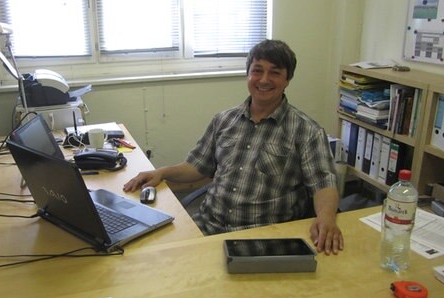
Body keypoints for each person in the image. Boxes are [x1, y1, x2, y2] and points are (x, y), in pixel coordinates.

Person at [123, 39, 343, 255]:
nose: (264, 80)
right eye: (257, 70)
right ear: (248, 74)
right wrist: (160, 172)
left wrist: (326, 218)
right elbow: (197, 167)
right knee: (149, 255)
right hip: (207, 225)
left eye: (275, 72)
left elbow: (323, 183)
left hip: (262, 238)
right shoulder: (224, 120)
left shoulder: (307, 131)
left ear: (287, 80)